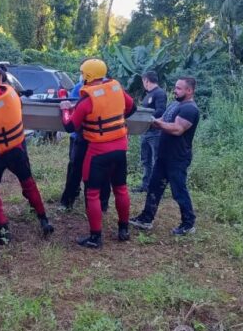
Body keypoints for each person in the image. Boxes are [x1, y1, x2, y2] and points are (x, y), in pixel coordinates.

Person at [0, 65, 54, 245]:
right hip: (17, 149)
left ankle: (3, 231)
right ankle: (44, 219)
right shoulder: (11, 91)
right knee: (29, 183)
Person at [60, 59, 136, 248]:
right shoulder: (116, 88)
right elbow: (132, 108)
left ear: (86, 76)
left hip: (98, 152)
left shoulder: (87, 100)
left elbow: (70, 126)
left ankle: (95, 237)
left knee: (92, 193)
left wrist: (65, 110)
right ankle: (123, 229)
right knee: (121, 189)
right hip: (120, 149)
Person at [130, 77, 200, 235]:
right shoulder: (175, 104)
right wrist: (148, 120)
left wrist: (157, 123)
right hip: (164, 156)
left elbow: (177, 129)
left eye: (179, 88)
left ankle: (188, 224)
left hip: (177, 158)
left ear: (189, 91)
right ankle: (146, 219)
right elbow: (163, 120)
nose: (175, 90)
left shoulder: (190, 109)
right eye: (175, 87)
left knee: (179, 191)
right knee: (154, 187)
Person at [58, 75, 112, 213]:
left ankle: (101, 203)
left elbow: (69, 124)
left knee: (98, 171)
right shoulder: (81, 87)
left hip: (95, 138)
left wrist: (65, 109)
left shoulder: (106, 89)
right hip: (88, 137)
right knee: (76, 169)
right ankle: (69, 200)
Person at [133, 71, 167, 192]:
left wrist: (146, 116)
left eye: (143, 82)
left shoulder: (159, 93)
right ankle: (146, 185)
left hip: (155, 132)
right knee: (145, 159)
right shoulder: (148, 94)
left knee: (156, 160)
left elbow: (161, 111)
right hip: (145, 131)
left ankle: (157, 187)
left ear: (146, 80)